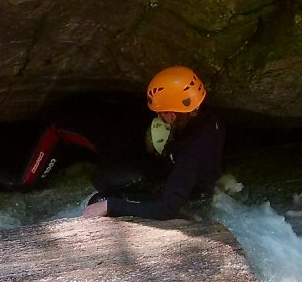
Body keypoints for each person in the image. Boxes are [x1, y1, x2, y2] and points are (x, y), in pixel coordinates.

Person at [0, 92, 171, 198]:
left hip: (76, 117)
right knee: (25, 183)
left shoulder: (142, 116)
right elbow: (102, 177)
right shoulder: (121, 144)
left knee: (59, 165)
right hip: (57, 131)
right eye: (153, 148)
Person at [82, 66, 225, 220]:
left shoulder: (192, 154)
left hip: (187, 200)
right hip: (171, 174)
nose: (157, 115)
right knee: (102, 178)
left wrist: (110, 206)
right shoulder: (207, 117)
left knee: (98, 201)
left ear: (171, 116)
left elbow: (167, 209)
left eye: (160, 112)